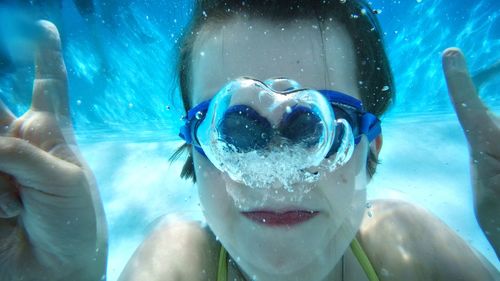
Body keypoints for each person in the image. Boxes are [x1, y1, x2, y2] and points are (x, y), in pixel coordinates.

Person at [0, 1, 498, 281]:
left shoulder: (411, 248)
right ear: (197, 147)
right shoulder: (176, 264)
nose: (272, 174)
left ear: (371, 146)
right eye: (237, 130)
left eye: (310, 127)